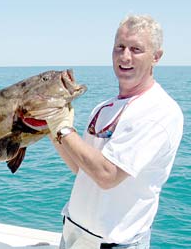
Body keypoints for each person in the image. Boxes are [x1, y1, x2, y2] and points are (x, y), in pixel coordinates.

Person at [45, 15, 184, 248]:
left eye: (136, 49)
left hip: (116, 243)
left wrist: (63, 126)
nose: (125, 56)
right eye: (119, 47)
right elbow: (82, 168)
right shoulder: (104, 107)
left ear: (156, 57)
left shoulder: (159, 111)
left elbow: (107, 175)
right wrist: (51, 128)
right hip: (73, 235)